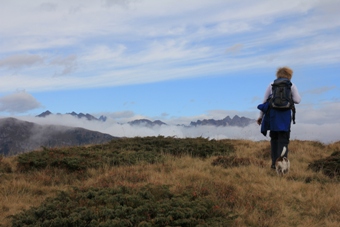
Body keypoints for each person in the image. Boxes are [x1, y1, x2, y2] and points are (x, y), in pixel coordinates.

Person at [257, 67, 301, 170]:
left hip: (273, 117)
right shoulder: (291, 85)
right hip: (285, 119)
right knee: (284, 142)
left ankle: (274, 165)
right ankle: (283, 166)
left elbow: (264, 102)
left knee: (274, 141)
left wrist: (260, 116)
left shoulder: (272, 84)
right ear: (289, 75)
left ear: (278, 74)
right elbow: (298, 100)